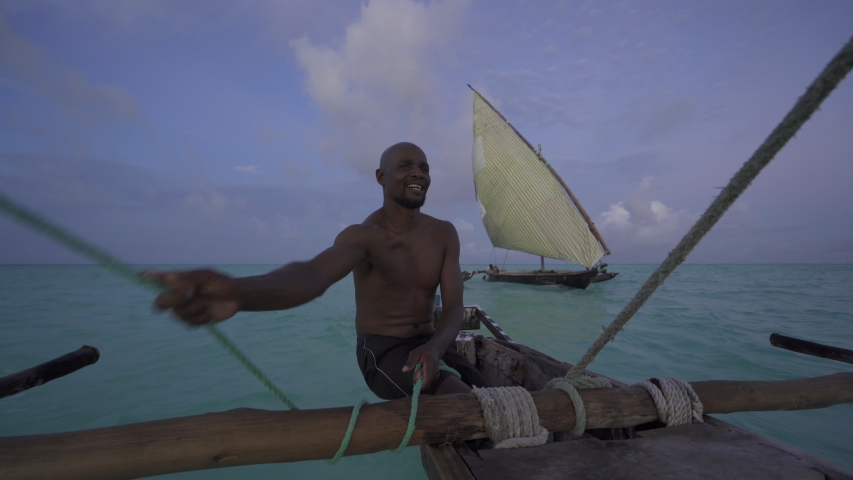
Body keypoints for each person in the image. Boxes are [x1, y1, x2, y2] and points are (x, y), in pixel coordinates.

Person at [148, 142, 487, 399]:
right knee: (459, 399)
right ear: (381, 177)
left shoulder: (444, 233)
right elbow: (311, 276)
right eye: (405, 166)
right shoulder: (364, 236)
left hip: (431, 342)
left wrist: (434, 347)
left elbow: (454, 307)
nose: (418, 173)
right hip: (382, 351)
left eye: (424, 168)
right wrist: (238, 293)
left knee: (491, 391)